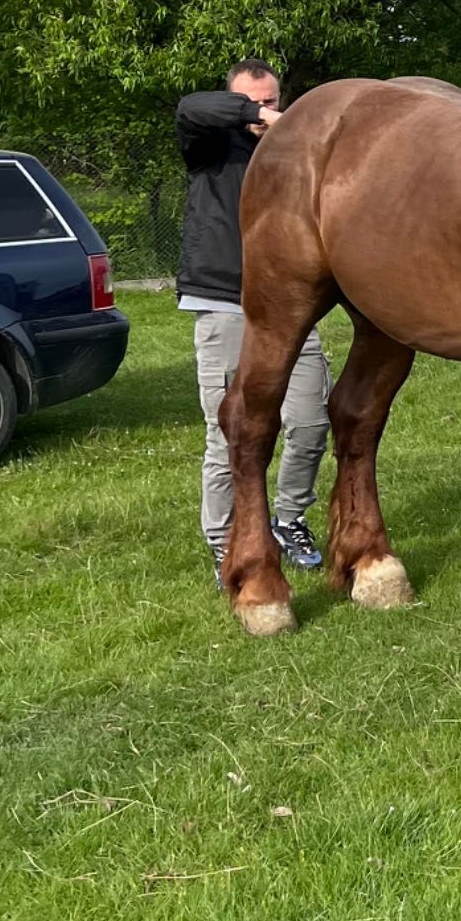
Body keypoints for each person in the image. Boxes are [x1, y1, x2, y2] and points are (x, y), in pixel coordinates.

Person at [176, 61, 328, 576]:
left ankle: (288, 518)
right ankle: (226, 539)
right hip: (225, 302)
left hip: (288, 305)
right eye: (253, 102)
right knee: (228, 433)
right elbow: (190, 107)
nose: (264, 111)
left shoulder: (293, 154)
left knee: (309, 422)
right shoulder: (210, 145)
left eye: (271, 100)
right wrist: (255, 116)